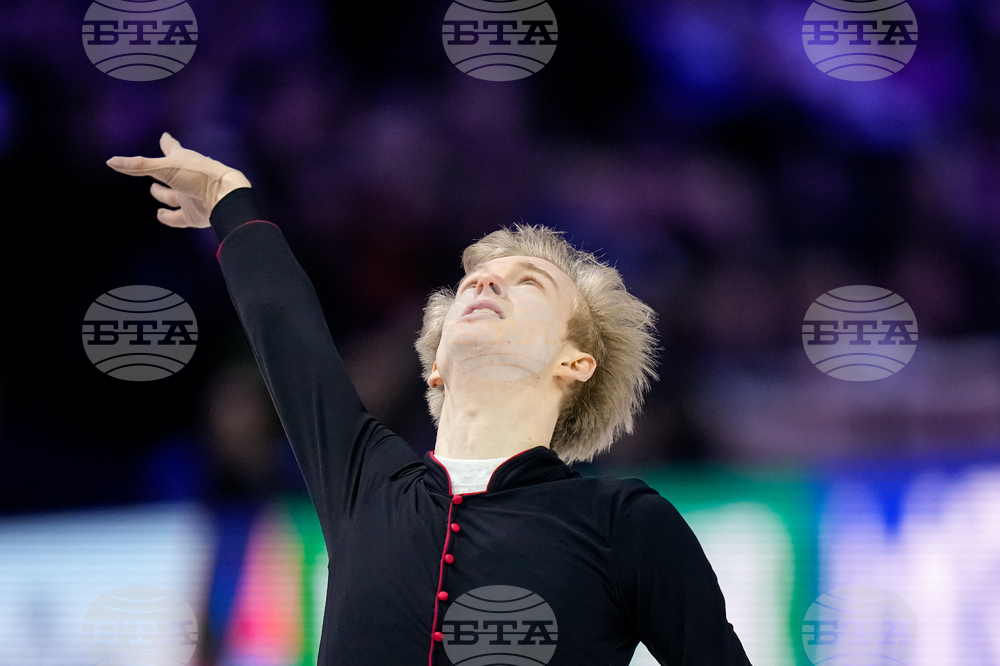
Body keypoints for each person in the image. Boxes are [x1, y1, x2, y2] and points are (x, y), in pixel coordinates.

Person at [107, 132, 752, 665]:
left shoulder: (621, 520)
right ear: (436, 365)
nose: (485, 282)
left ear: (575, 362)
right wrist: (229, 201)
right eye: (476, 278)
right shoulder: (368, 481)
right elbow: (290, 340)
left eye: (527, 283)